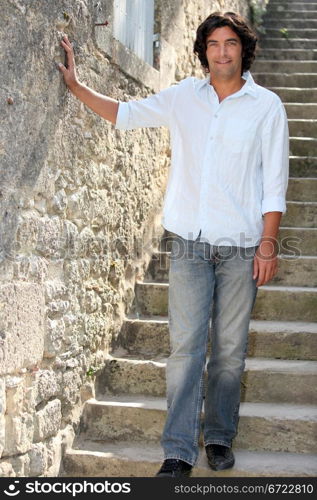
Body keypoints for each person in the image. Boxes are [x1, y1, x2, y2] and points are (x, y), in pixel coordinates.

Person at [58, 11, 289, 477]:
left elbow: (274, 182)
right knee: (185, 348)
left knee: (228, 349)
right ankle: (179, 450)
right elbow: (127, 114)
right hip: (189, 243)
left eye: (230, 43)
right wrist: (77, 87)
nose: (222, 52)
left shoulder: (267, 106)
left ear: (243, 49)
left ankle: (220, 436)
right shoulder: (185, 96)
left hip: (243, 244)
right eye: (213, 44)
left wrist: (268, 243)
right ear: (203, 51)